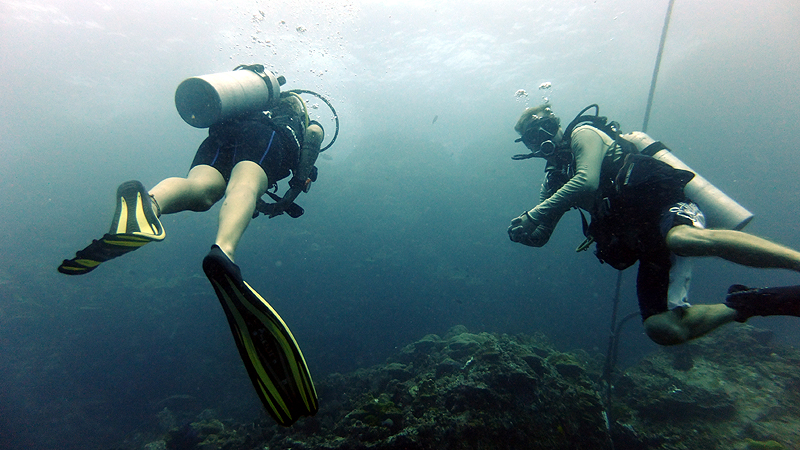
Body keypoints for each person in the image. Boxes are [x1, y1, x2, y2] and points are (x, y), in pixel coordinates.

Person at [58, 74, 323, 426]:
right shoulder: (299, 121)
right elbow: (309, 153)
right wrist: (295, 186)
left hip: (221, 133)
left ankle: (150, 204)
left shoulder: (245, 107)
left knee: (201, 189)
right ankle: (223, 252)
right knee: (246, 184)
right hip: (268, 139)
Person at [507, 103, 800, 346]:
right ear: (528, 145)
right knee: (662, 328)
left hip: (663, 206)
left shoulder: (582, 134)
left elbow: (587, 180)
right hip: (642, 240)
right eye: (532, 137)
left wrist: (532, 216)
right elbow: (541, 234)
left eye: (545, 127)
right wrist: (524, 234)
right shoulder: (554, 178)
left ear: (557, 124)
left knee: (681, 239)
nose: (541, 138)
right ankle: (752, 303)